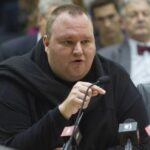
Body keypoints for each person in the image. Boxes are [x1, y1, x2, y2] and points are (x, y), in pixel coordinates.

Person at [0, 4, 149, 150]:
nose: (78, 50)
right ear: (46, 43)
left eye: (85, 42)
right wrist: (62, 112)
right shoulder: (15, 79)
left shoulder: (113, 76)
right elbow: (8, 146)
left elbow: (144, 140)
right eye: (68, 42)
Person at [0, 0, 73, 62]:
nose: (59, 26)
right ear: (40, 19)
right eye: (53, 20)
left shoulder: (76, 53)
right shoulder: (10, 52)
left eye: (65, 22)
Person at [98, 0, 150, 86]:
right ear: (122, 22)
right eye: (133, 15)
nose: (140, 19)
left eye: (145, 14)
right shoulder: (106, 57)